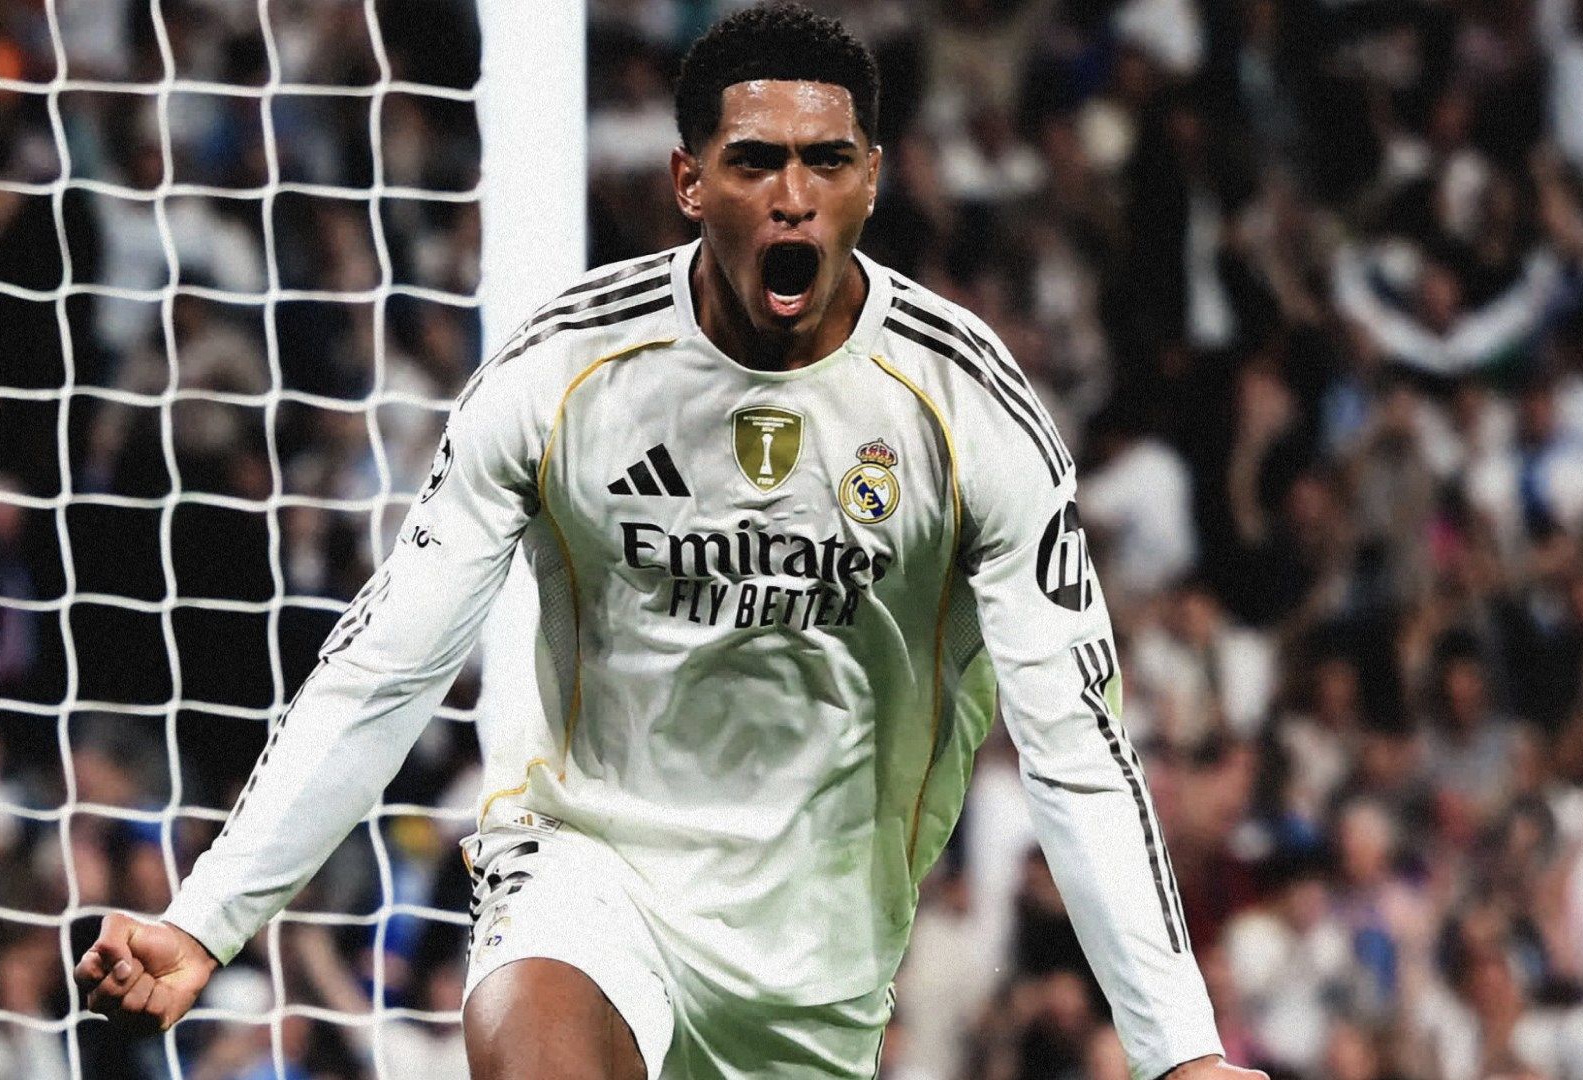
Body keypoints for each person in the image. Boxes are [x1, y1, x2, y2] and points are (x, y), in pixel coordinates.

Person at [76, 7, 1264, 1079]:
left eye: (826, 161)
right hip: (589, 873)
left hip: (816, 961)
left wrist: (1182, 1051)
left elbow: (1075, 744)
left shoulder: (970, 411)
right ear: (690, 182)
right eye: (754, 161)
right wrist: (206, 920)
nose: (792, 196)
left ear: (871, 179)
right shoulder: (563, 375)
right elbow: (387, 664)